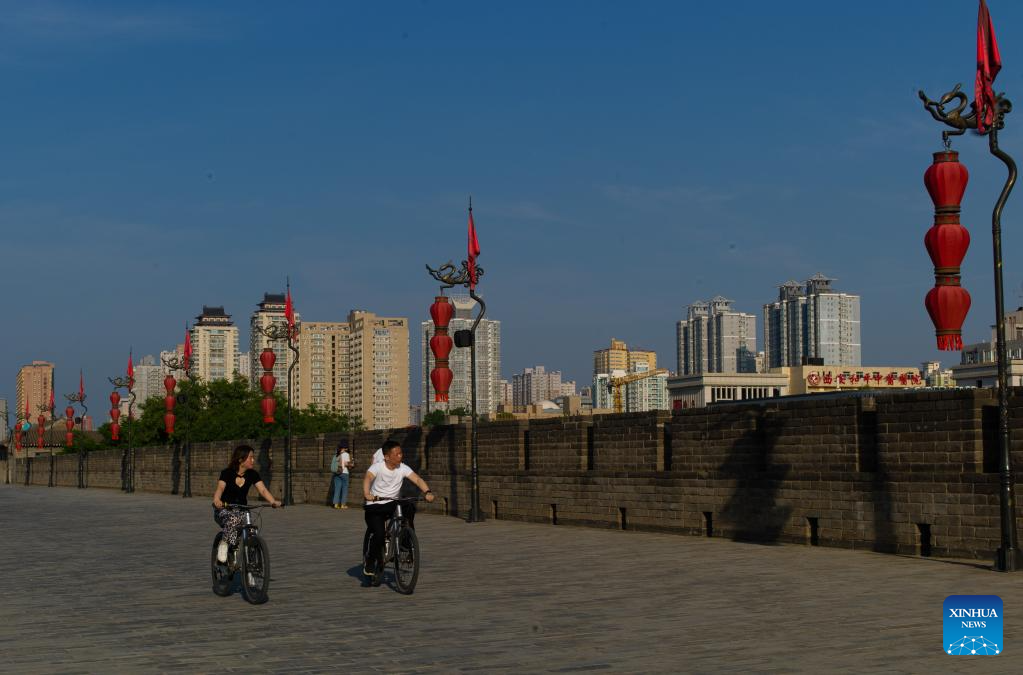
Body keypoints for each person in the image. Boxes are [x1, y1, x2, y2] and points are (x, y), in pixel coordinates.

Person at [362, 440, 434, 585]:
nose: (400, 456)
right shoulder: (378, 467)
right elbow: (368, 478)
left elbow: (417, 479)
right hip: (375, 505)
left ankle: (405, 538)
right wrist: (367, 493)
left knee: (408, 506)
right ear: (387, 457)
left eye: (401, 453)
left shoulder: (402, 468)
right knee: (379, 534)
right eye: (397, 454)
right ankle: (370, 563)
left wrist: (427, 492)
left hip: (392, 503)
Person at [212, 445, 281, 563]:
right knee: (233, 519)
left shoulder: (252, 474)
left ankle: (251, 558)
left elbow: (263, 490)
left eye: (253, 458)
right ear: (241, 459)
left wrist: (272, 501)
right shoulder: (227, 473)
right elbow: (220, 488)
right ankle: (224, 544)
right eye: (250, 457)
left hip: (241, 509)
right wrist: (217, 499)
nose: (253, 460)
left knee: (251, 529)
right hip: (224, 509)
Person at [330, 442, 352, 509]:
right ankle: (343, 505)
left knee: (337, 488)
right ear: (345, 448)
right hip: (344, 473)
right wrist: (351, 464)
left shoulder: (336, 454)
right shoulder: (346, 454)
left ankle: (336, 504)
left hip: (336, 473)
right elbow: (347, 464)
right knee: (344, 489)